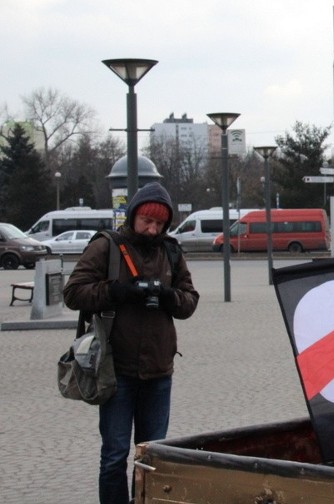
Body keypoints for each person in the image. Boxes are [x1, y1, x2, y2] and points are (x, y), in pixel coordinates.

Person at [64, 182, 199, 504]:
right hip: (116, 370)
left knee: (153, 457)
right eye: (146, 221)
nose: (152, 229)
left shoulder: (171, 250)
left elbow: (190, 302)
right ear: (133, 216)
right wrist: (116, 291)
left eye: (159, 224)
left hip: (158, 371)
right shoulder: (107, 246)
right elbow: (73, 293)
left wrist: (167, 297)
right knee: (114, 456)